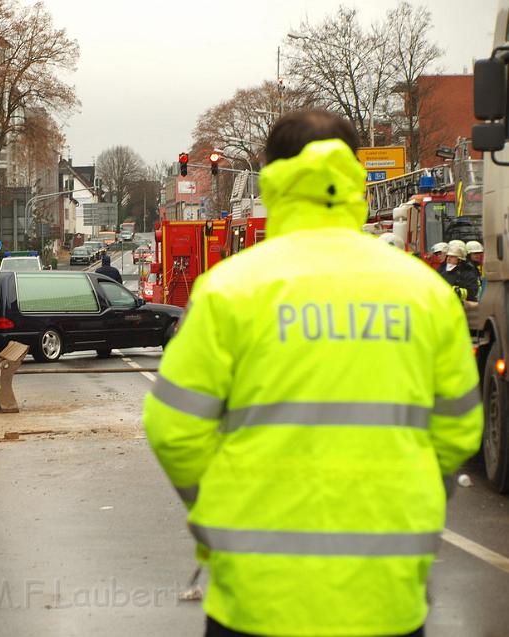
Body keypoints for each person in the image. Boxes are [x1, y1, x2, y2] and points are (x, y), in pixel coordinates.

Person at [143, 110, 482, 637]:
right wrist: (414, 498)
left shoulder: (229, 291)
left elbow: (174, 429)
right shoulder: (425, 294)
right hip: (385, 598)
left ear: (274, 177)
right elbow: (459, 426)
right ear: (354, 173)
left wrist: (215, 510)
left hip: (256, 600)